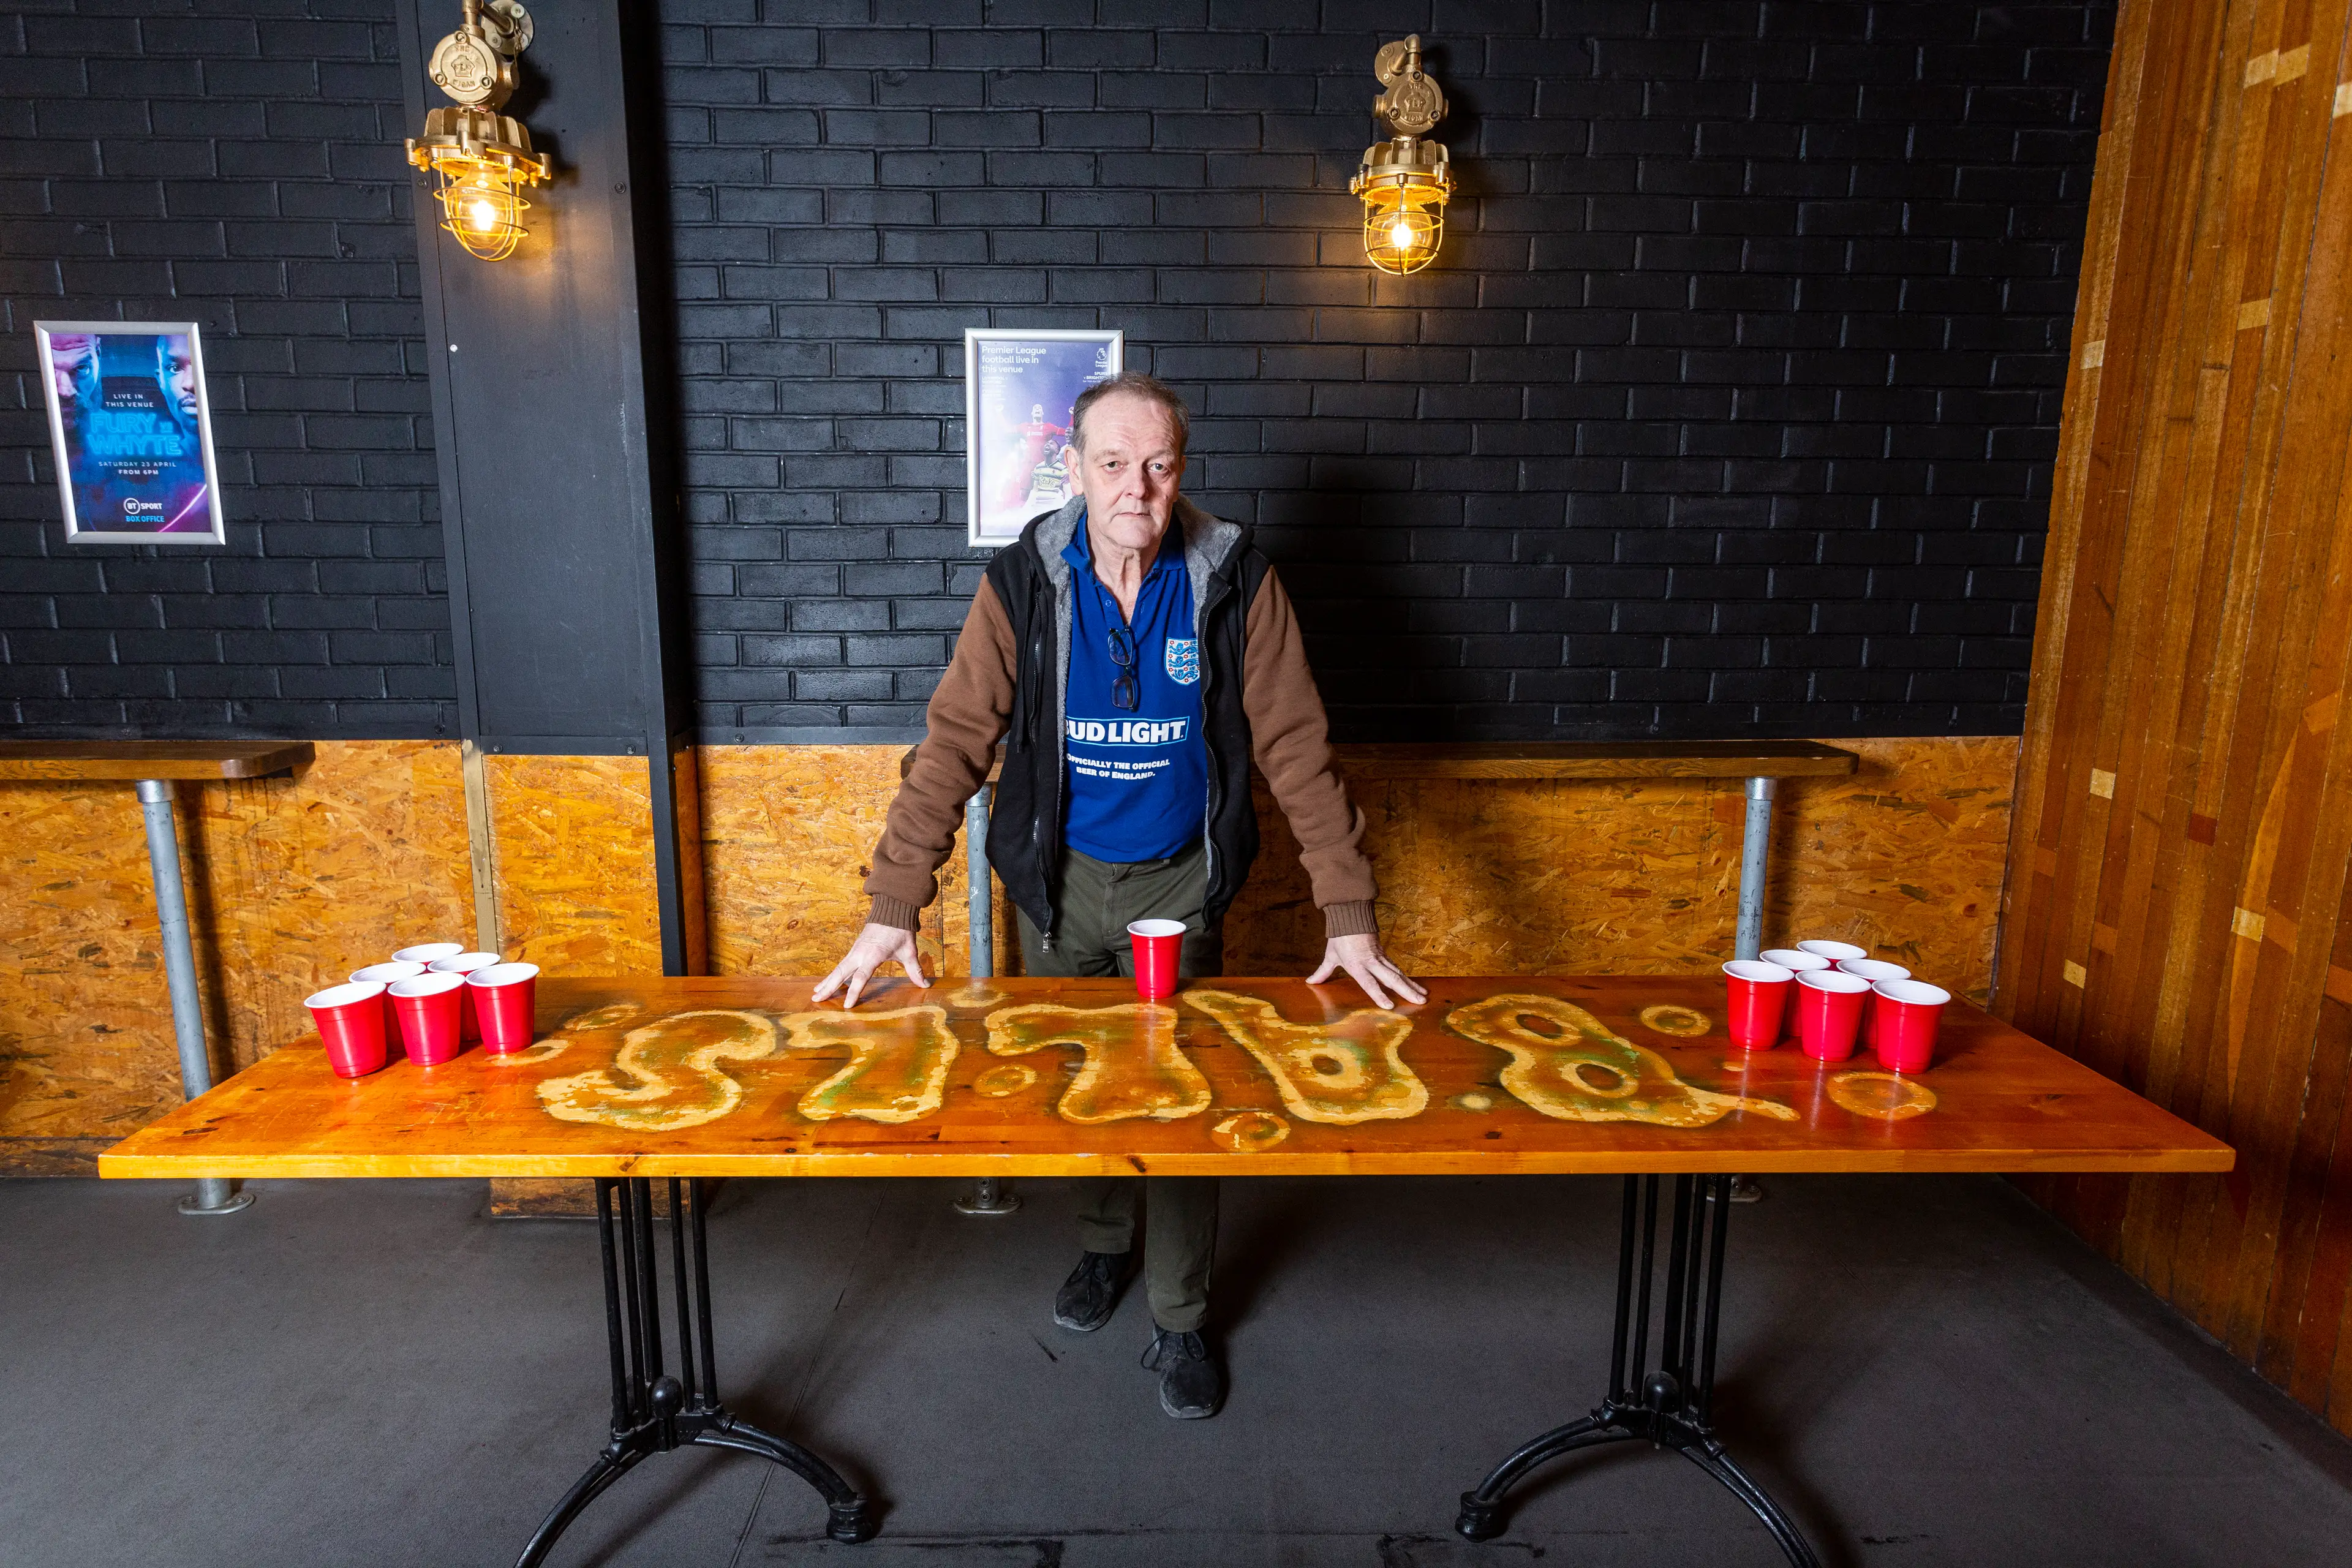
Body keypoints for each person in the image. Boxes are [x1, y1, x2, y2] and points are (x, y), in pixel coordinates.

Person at [815, 371, 1424, 1420]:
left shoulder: (1235, 581)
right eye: (1112, 464)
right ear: (1075, 471)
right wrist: (891, 904)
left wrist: (1349, 910)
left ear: (1180, 470)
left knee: (1186, 1105)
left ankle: (1181, 1316)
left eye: (1158, 464)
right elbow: (956, 742)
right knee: (1084, 1091)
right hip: (1057, 891)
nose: (1135, 487)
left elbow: (1294, 748)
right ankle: (1104, 1246)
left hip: (1181, 886)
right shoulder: (1022, 584)